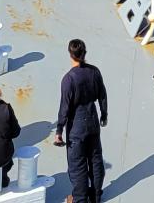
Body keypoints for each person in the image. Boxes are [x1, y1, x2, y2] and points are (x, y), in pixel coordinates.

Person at [54, 37, 109, 203]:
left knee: (77, 166)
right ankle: (96, 196)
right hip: (92, 122)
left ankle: (79, 199)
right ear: (84, 53)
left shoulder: (68, 79)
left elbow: (65, 108)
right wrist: (104, 115)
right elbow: (102, 95)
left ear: (70, 54)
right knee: (95, 160)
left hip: (77, 127)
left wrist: (59, 131)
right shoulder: (94, 72)